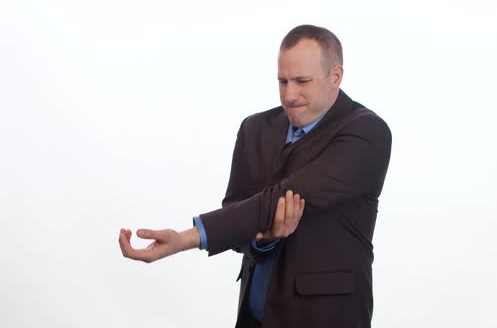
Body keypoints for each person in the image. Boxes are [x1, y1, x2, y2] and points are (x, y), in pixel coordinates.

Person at [119, 24, 392, 328]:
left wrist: (186, 238)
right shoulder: (255, 128)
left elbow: (282, 198)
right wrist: (263, 240)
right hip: (255, 316)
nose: (289, 95)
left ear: (336, 76)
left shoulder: (367, 133)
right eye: (282, 81)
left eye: (302, 81)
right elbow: (237, 212)